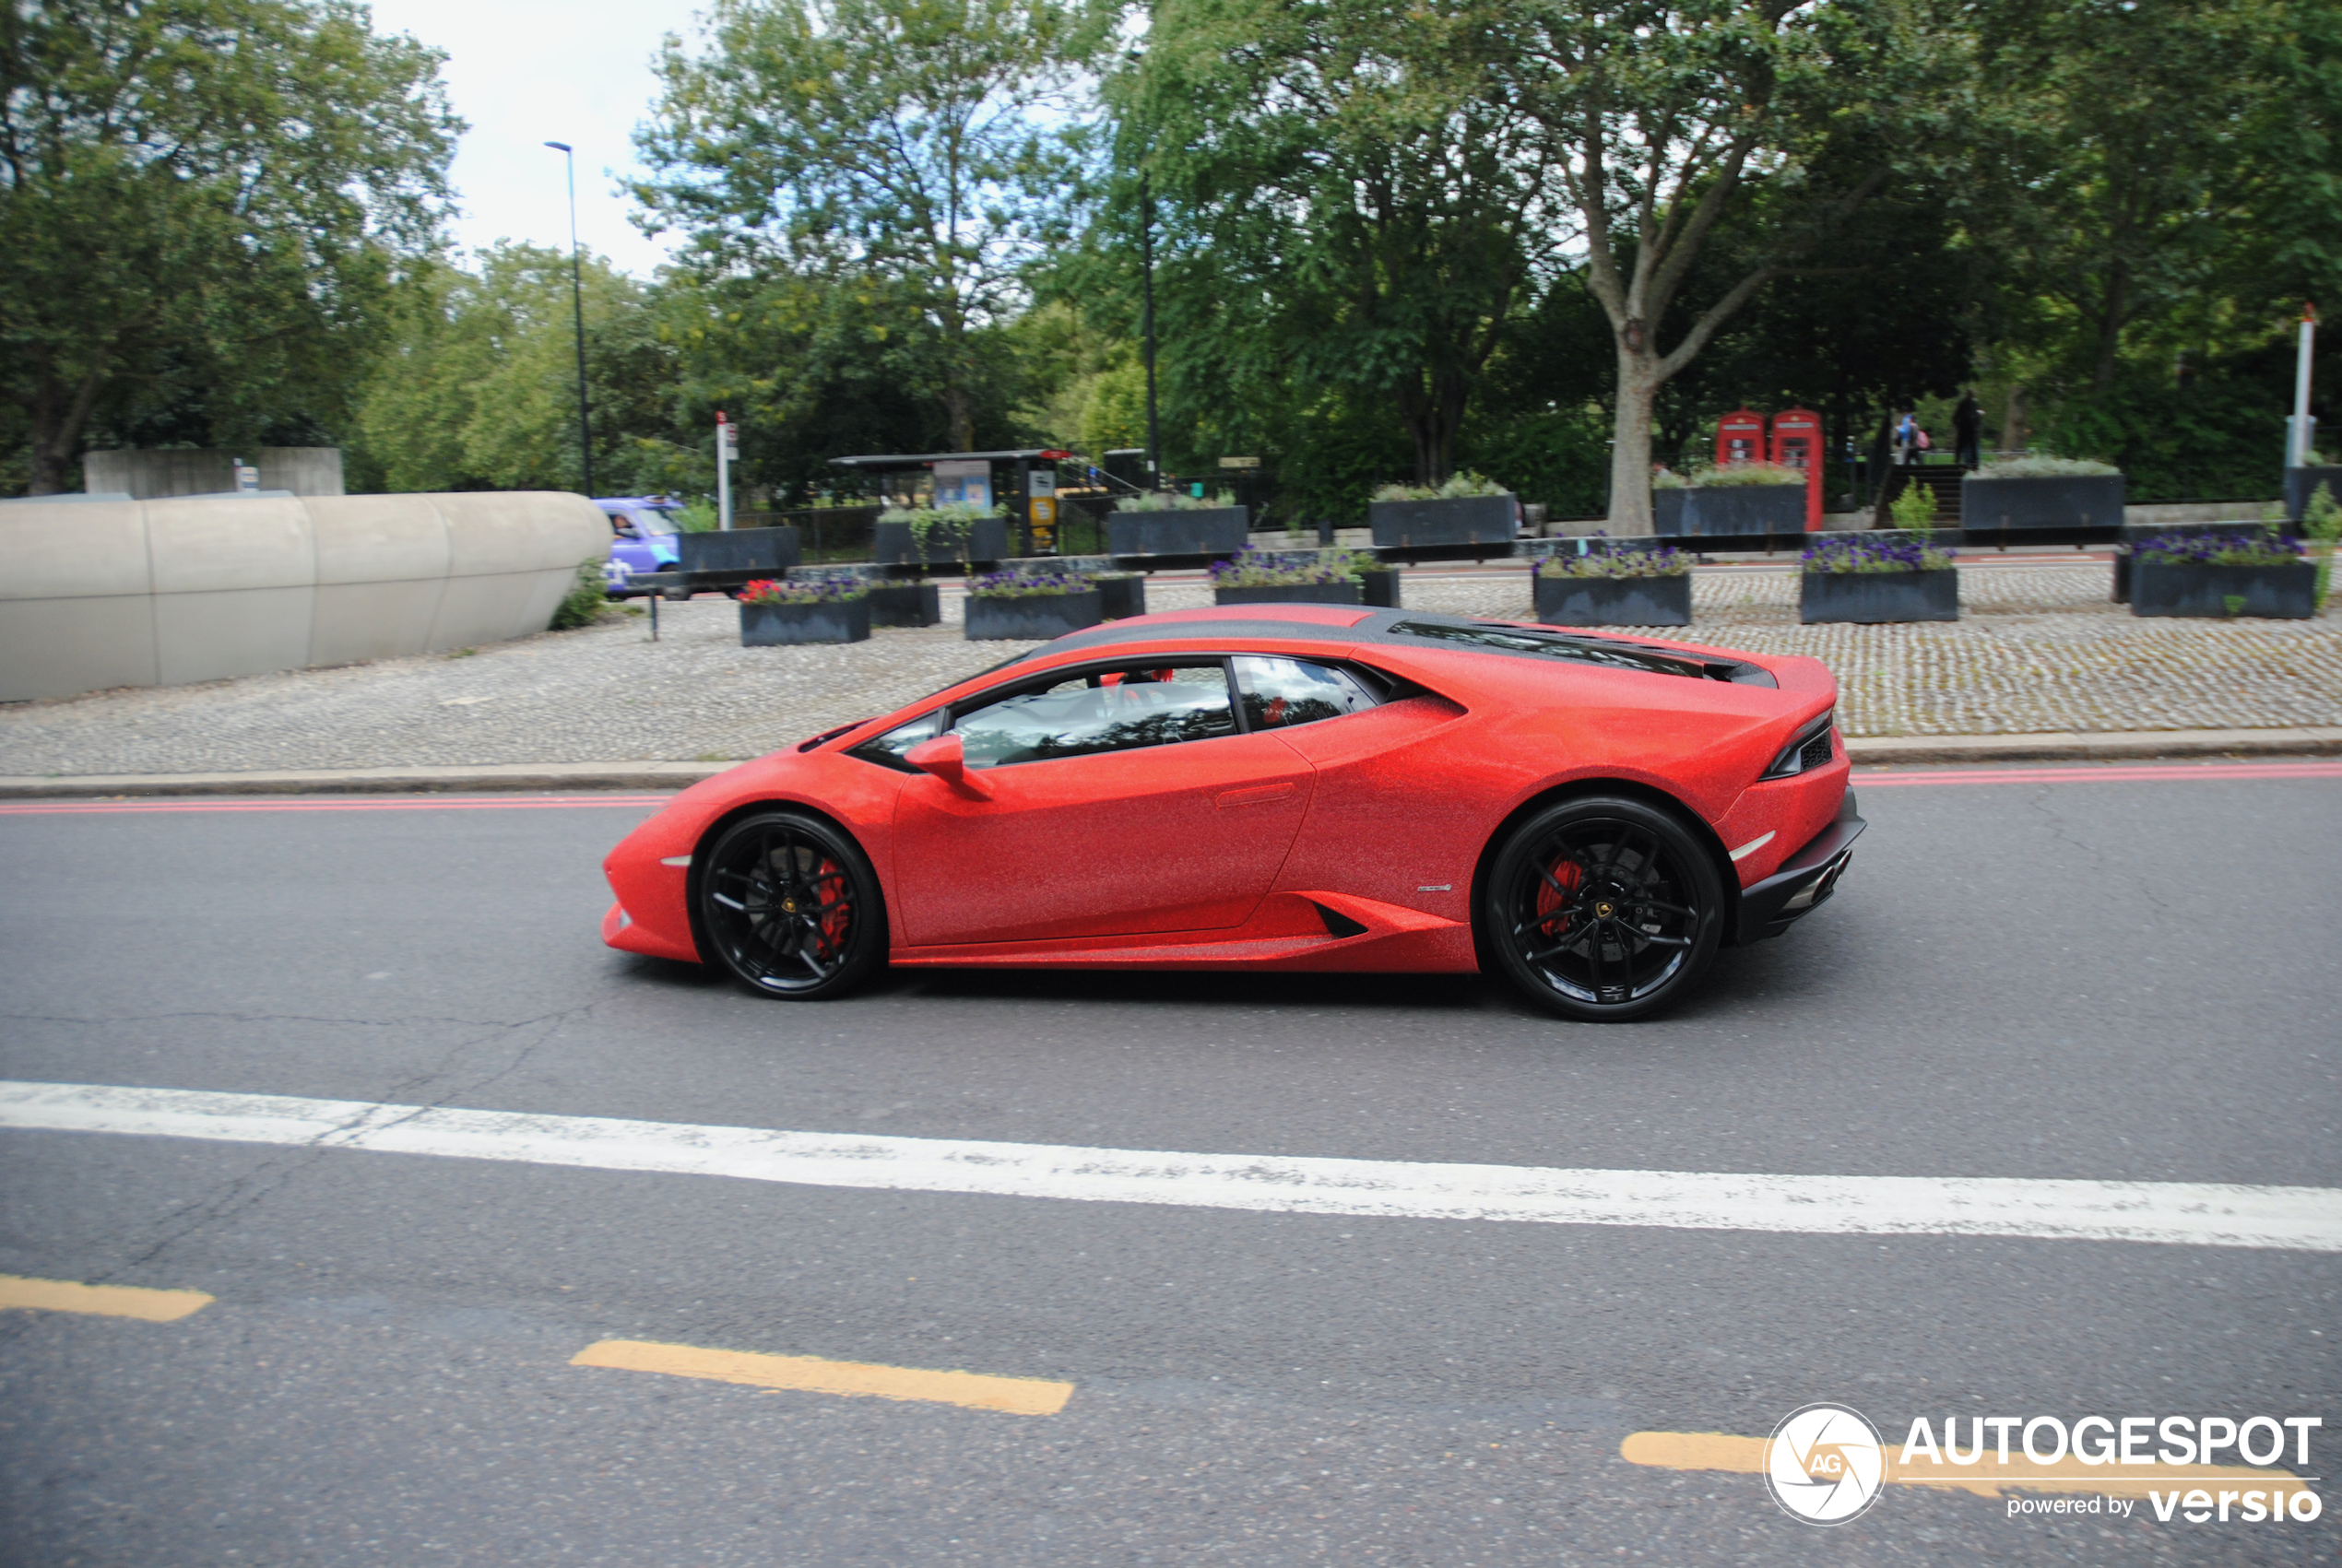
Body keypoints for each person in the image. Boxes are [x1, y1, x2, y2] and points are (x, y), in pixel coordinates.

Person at [1953, 390, 1983, 469]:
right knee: (1969, 445)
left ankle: (1960, 460)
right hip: (1967, 428)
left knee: (1963, 445)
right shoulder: (1970, 404)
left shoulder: (1965, 403)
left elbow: (1956, 416)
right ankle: (1973, 462)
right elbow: (1975, 416)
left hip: (1966, 428)